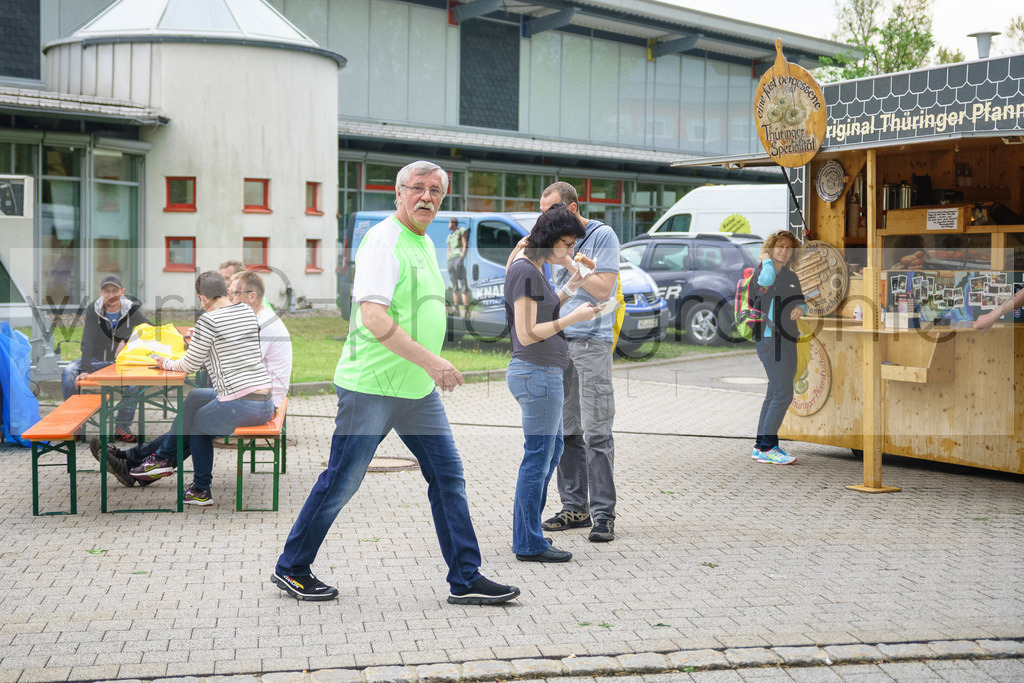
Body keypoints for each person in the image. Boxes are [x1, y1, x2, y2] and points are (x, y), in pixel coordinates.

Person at [272, 160, 520, 605]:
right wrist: (432, 362)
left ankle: (466, 577)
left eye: (435, 191)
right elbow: (372, 317)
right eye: (417, 188)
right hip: (372, 387)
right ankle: (292, 567)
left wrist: (424, 368)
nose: (426, 197)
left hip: (414, 391)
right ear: (399, 193)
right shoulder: (383, 240)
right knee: (343, 480)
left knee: (448, 477)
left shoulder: (423, 240)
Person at [91, 272, 274, 505]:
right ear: (227, 292)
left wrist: (163, 362)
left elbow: (190, 365)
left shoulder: (208, 321)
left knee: (197, 426)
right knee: (194, 399)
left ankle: (200, 489)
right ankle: (141, 460)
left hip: (241, 404)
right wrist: (199, 342)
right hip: (265, 401)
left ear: (202, 298)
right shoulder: (247, 311)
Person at [505, 204, 599, 563]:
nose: (571, 252)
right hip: (537, 373)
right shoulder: (527, 271)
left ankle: (526, 533)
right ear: (550, 239)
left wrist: (572, 287)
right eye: (568, 243)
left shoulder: (534, 268)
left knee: (550, 453)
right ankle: (529, 541)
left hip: (541, 373)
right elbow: (528, 334)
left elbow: (544, 310)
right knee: (538, 458)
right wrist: (573, 319)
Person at [532, 182, 621, 543]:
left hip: (591, 343)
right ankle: (575, 508)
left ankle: (603, 514)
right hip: (558, 342)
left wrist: (569, 260)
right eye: (542, 213)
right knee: (566, 430)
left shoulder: (601, 236)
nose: (545, 219)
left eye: (550, 212)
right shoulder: (551, 242)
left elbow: (604, 290)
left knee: (597, 430)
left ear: (570, 209)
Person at [61, 274, 149, 442]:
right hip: (95, 360)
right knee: (69, 371)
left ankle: (121, 426)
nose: (111, 295)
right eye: (106, 291)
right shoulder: (93, 310)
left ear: (122, 291)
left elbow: (148, 328)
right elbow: (87, 339)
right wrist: (85, 369)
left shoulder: (131, 308)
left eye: (115, 290)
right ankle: (74, 424)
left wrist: (127, 340)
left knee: (135, 381)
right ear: (100, 292)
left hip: (120, 362)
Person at [750, 230, 806, 465]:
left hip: (788, 338)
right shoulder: (763, 272)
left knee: (774, 391)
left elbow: (800, 299)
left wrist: (801, 307)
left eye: (789, 247)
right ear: (771, 248)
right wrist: (765, 260)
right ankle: (768, 448)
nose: (784, 250)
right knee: (783, 392)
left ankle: (760, 446)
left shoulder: (791, 275)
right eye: (779, 246)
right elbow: (765, 282)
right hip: (770, 339)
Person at [228, 270, 292, 407]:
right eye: (230, 292)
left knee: (199, 409)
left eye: (235, 293)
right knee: (196, 398)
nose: (230, 298)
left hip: (265, 401)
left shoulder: (261, 324)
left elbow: (241, 364)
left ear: (252, 297)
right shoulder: (257, 317)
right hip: (256, 393)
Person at [446, 217, 470, 316]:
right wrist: (448, 260)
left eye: (449, 223)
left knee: (463, 285)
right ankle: (456, 309)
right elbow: (448, 249)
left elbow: (465, 245)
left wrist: (461, 258)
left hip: (458, 259)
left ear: (453, 223)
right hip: (451, 261)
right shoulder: (450, 236)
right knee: (455, 286)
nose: (448, 225)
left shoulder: (461, 231)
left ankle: (466, 309)